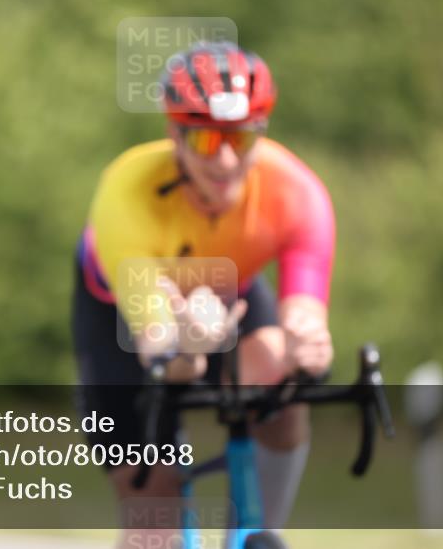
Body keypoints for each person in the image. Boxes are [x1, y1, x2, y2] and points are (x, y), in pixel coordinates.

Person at [71, 41, 335, 546]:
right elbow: (162, 352)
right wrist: (190, 343)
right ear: (175, 135)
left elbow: (305, 312)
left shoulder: (297, 192)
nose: (227, 160)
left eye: (240, 136)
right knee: (152, 505)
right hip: (122, 316)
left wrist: (309, 343)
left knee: (282, 383)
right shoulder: (127, 191)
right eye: (207, 142)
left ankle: (258, 533)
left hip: (228, 294)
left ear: (261, 131)